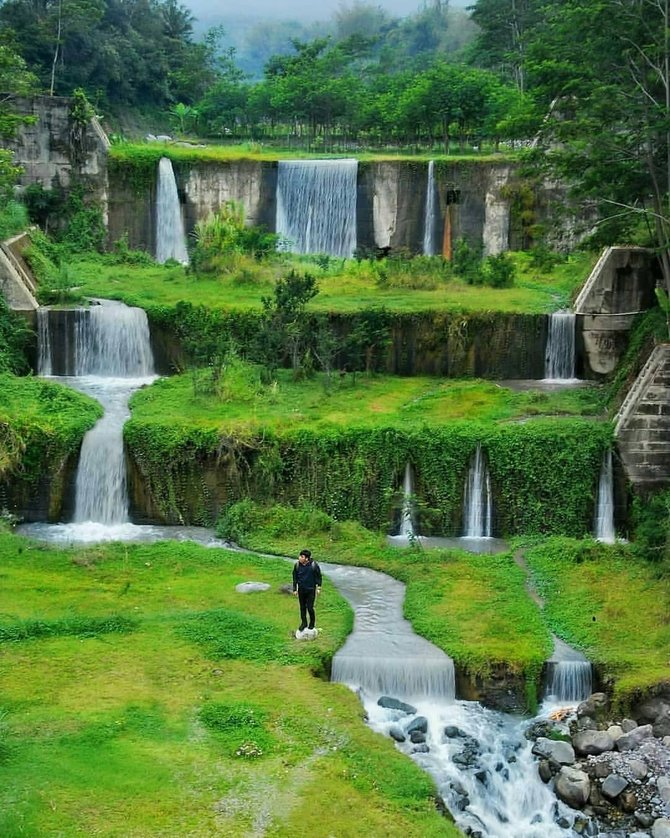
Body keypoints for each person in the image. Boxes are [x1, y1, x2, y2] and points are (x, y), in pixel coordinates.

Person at [292, 549, 322, 634]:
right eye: (300, 556)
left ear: (307, 558)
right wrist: (294, 589)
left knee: (310, 607)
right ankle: (304, 623)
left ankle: (312, 623)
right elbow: (294, 577)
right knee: (302, 608)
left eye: (302, 556)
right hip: (301, 590)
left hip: (311, 590)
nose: (299, 558)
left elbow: (318, 576)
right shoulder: (297, 565)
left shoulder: (313, 565)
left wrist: (319, 587)